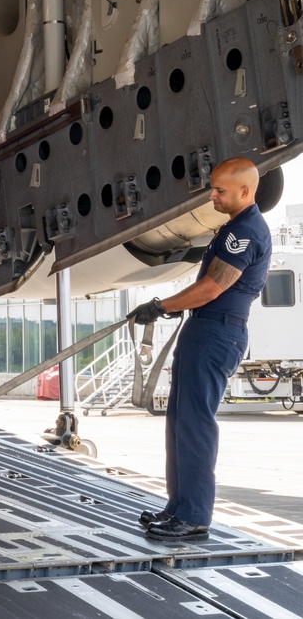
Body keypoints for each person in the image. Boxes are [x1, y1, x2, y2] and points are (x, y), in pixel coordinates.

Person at [129, 156, 272, 542]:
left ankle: (193, 516)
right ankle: (178, 508)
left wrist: (161, 305)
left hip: (216, 333)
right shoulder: (233, 228)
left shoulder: (245, 232)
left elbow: (212, 288)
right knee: (179, 421)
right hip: (204, 330)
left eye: (219, 190)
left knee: (195, 424)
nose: (212, 195)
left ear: (244, 191)